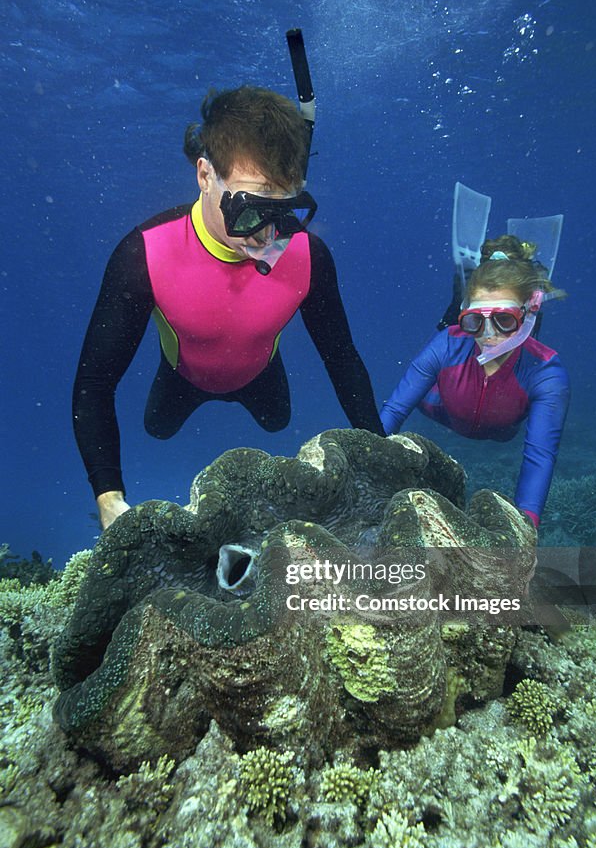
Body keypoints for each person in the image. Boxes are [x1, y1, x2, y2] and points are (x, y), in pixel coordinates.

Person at [73, 86, 383, 529]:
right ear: (204, 175)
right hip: (182, 376)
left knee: (277, 422)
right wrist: (109, 495)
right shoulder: (144, 254)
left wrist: (379, 451)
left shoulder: (307, 256)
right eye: (249, 206)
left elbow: (341, 357)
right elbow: (95, 381)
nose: (265, 233)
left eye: (283, 210)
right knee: (157, 426)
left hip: (260, 374)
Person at [381, 236, 570, 528]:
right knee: (448, 339)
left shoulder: (547, 372)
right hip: (440, 408)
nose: (487, 334)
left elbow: (540, 456)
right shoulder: (447, 343)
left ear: (527, 315)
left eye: (504, 320)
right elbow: (393, 411)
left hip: (503, 426)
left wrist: (525, 525)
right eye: (474, 321)